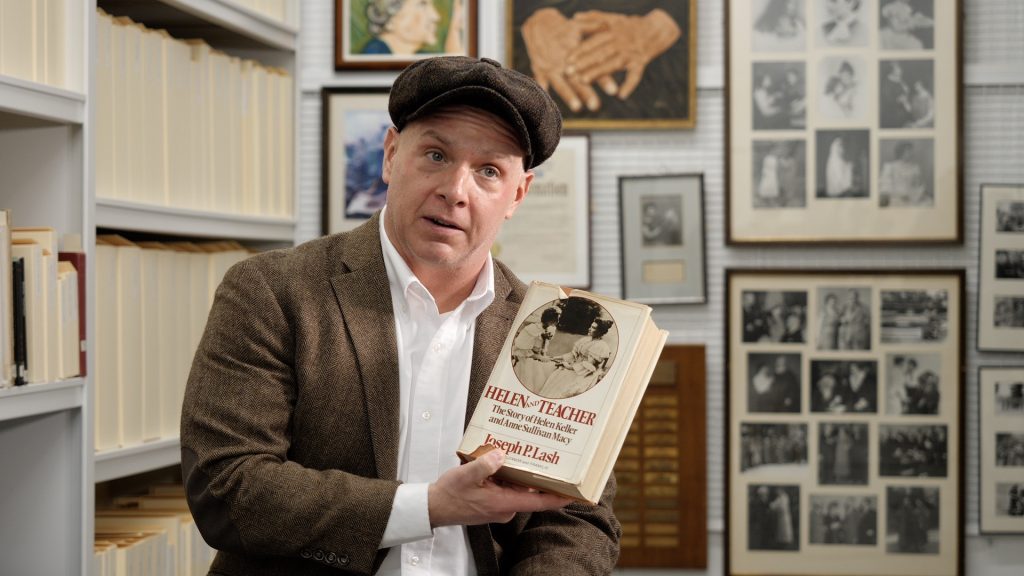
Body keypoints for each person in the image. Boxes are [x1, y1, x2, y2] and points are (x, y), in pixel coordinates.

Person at [181, 56, 621, 575]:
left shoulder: (549, 328)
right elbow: (227, 488)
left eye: (489, 172)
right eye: (436, 154)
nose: (455, 190)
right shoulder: (272, 291)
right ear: (391, 156)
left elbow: (579, 518)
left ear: (516, 195)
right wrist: (430, 506)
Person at [539, 319, 615, 399]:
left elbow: (588, 366)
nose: (589, 329)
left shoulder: (601, 346)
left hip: (583, 374)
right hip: (573, 368)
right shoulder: (586, 340)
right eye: (590, 326)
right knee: (551, 371)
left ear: (600, 331)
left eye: (593, 328)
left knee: (561, 383)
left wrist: (568, 366)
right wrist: (553, 358)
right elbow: (573, 354)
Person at [362, 0, 464, 56]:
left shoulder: (423, 58)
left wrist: (455, 28)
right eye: (422, 4)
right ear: (391, 20)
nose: (435, 16)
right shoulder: (373, 54)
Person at [511, 306, 561, 394]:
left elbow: (543, 349)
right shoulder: (532, 329)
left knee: (553, 369)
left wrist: (543, 356)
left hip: (537, 357)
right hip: (524, 359)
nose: (558, 322)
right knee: (535, 376)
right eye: (556, 320)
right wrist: (539, 357)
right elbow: (519, 350)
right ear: (549, 320)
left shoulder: (551, 329)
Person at [880, 141, 927, 207]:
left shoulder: (915, 168)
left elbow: (919, 185)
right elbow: (885, 186)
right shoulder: (890, 167)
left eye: (911, 151)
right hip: (895, 198)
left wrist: (916, 194)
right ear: (900, 152)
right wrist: (900, 195)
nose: (911, 154)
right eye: (908, 151)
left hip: (913, 198)